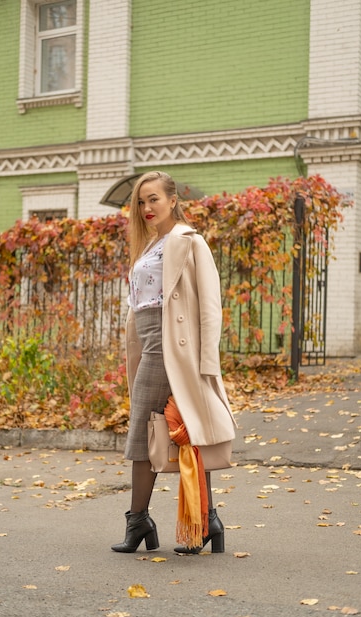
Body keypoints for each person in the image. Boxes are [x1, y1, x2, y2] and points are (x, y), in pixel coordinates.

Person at [111, 171, 235, 554]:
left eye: (154, 199)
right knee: (184, 430)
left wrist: (207, 361)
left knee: (149, 430)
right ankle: (206, 520)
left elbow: (210, 304)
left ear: (173, 199)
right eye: (141, 202)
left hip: (172, 348)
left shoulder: (187, 241)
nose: (147, 208)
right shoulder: (148, 245)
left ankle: (140, 521)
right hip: (149, 343)